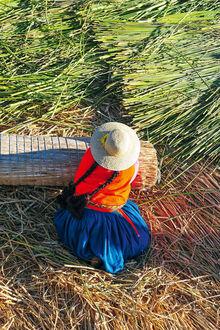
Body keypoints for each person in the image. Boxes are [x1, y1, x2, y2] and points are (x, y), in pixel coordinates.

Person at [54, 122, 151, 273]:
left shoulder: (89, 155)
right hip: (107, 214)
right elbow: (129, 180)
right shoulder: (130, 168)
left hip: (81, 208)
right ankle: (101, 256)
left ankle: (93, 251)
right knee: (139, 239)